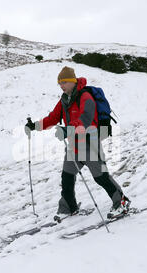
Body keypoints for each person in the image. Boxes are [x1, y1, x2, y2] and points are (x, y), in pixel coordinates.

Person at [25, 66, 129, 216]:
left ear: (72, 81)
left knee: (101, 177)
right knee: (67, 177)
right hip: (73, 145)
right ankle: (69, 207)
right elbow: (52, 118)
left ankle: (122, 203)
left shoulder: (85, 97)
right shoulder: (64, 100)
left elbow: (86, 120)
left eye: (64, 82)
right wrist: (34, 126)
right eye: (59, 83)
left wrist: (67, 130)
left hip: (90, 143)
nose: (61, 86)